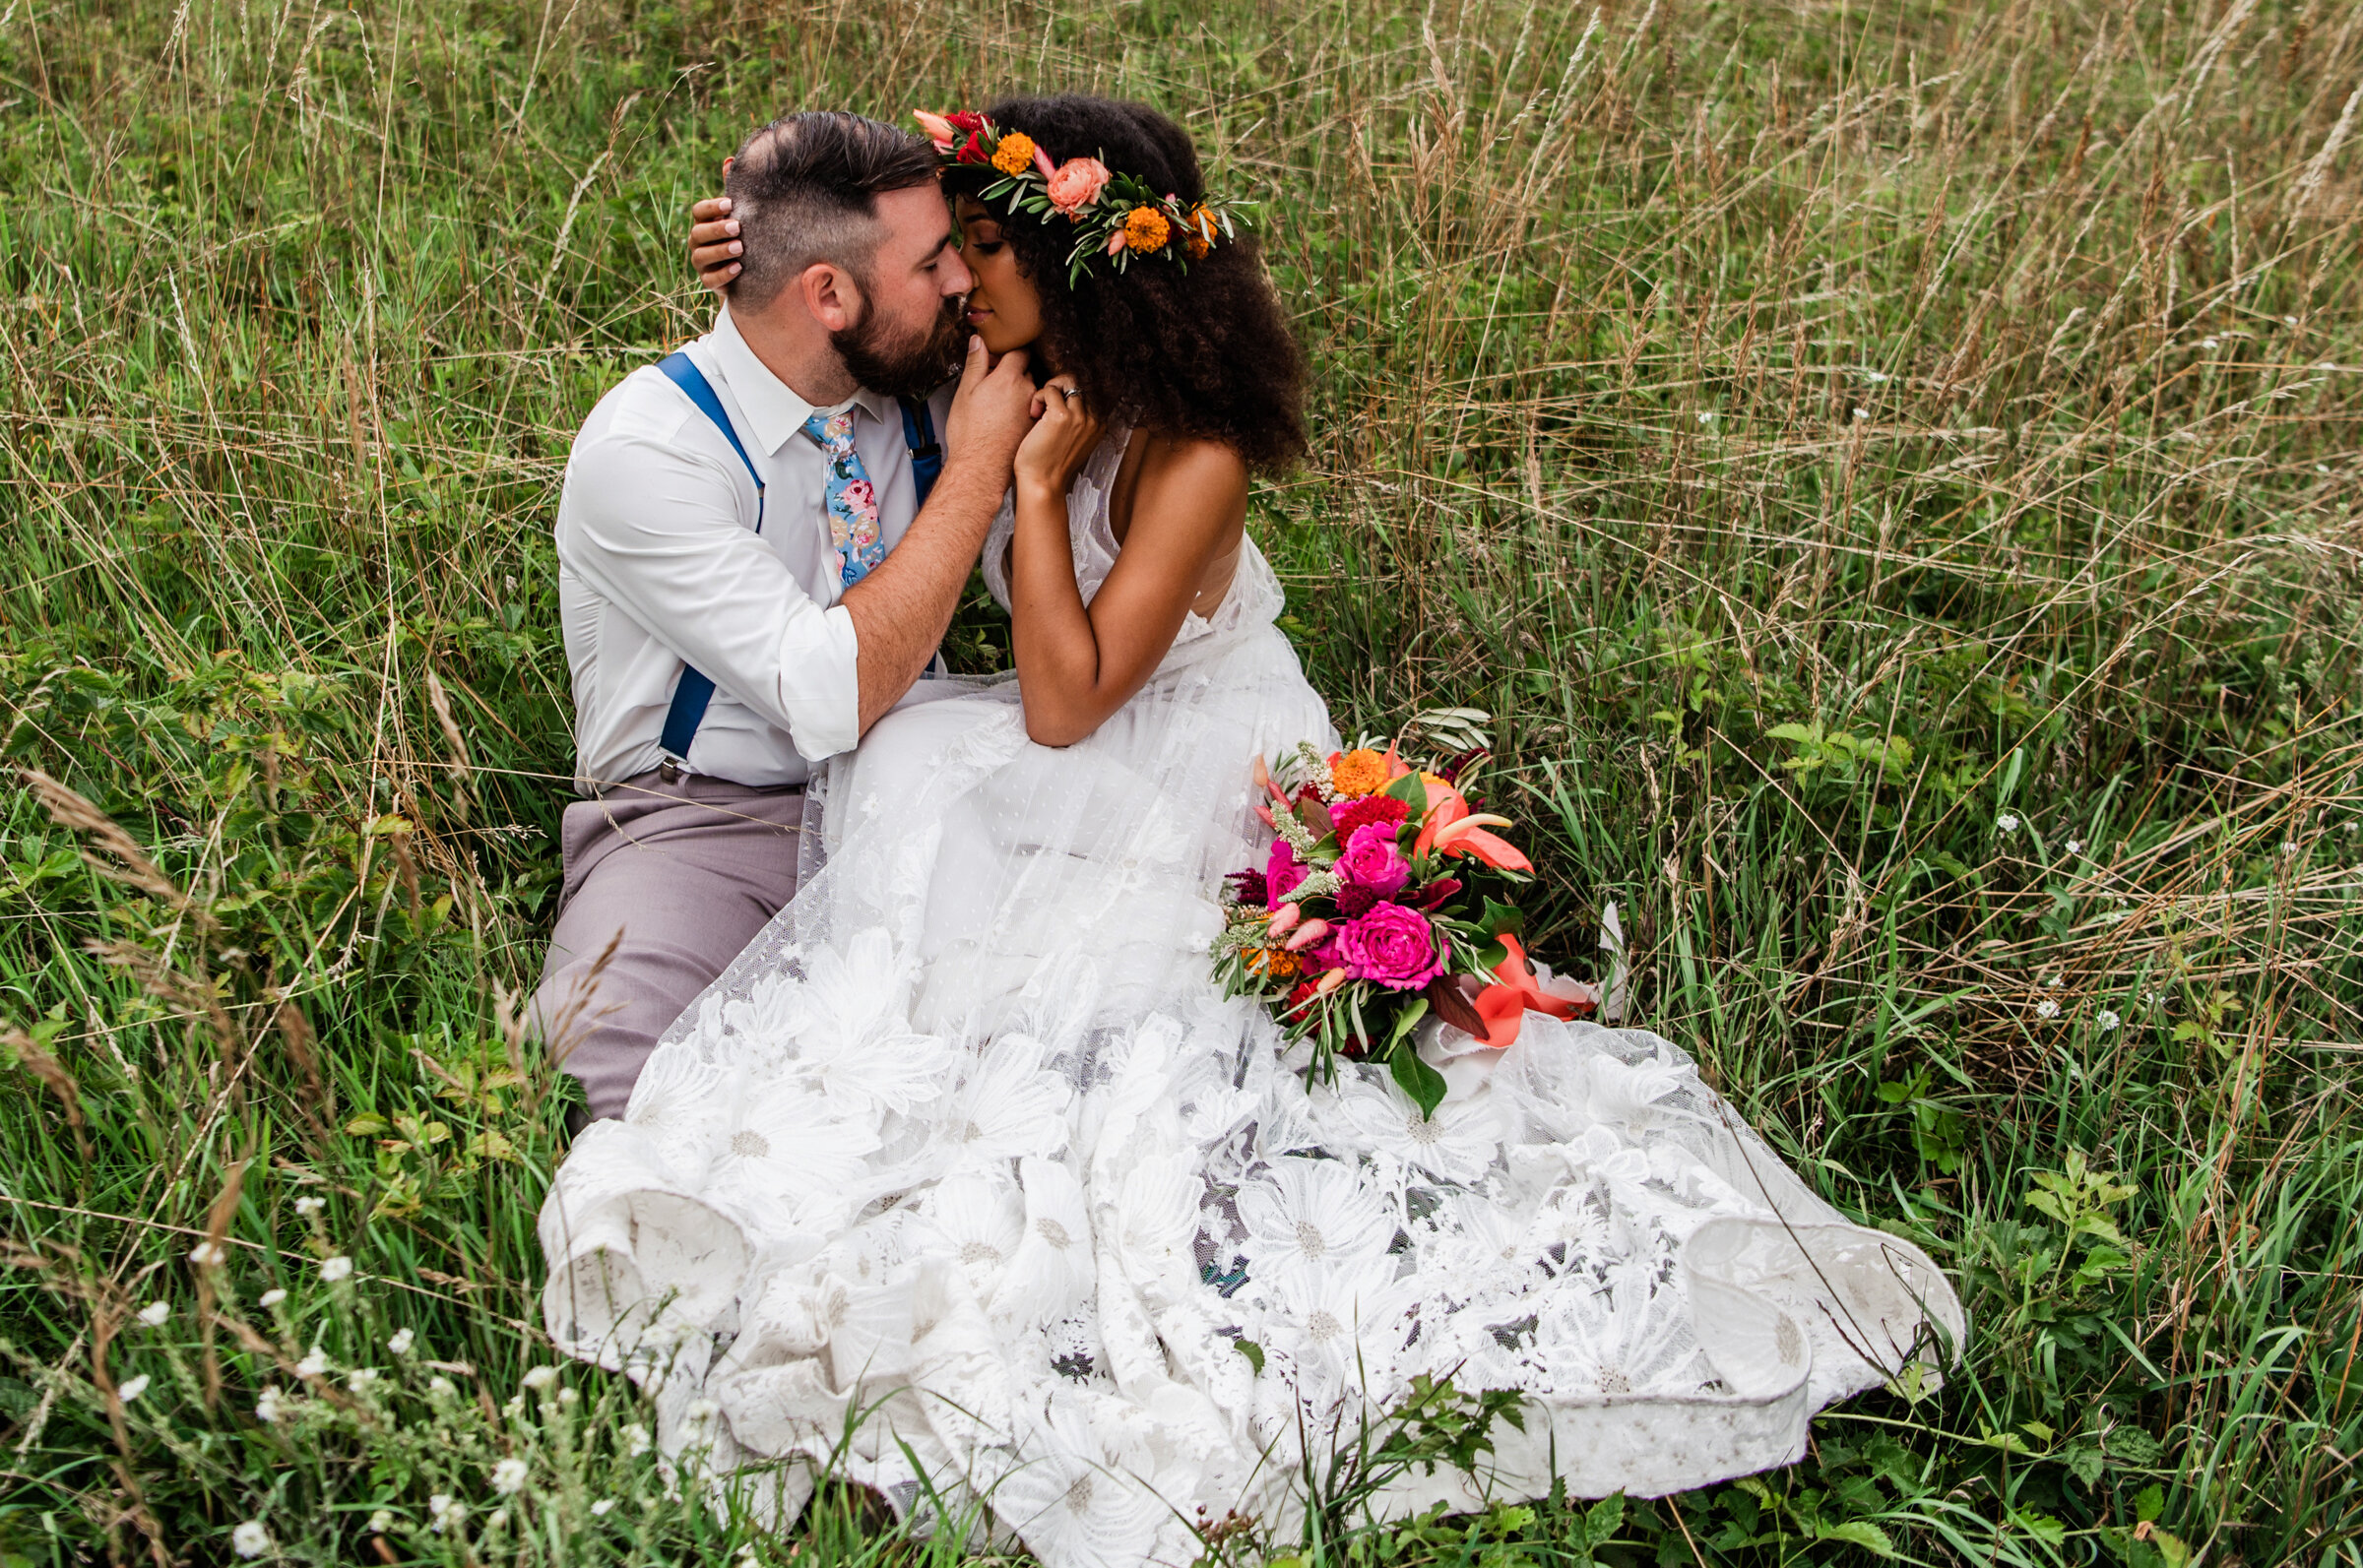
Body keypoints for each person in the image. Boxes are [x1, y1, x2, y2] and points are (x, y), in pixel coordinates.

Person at [538, 95, 1963, 1568]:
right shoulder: (814, 405)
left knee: (942, 812)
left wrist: (1012, 473)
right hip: (716, 794)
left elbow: (1062, 698)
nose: (959, 287)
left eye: (975, 253)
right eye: (942, 261)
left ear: (1067, 267)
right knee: (711, 1003)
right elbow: (832, 295)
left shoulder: (1091, 419)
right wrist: (767, 255)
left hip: (1160, 740)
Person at [533, 111, 1040, 1125]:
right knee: (619, 1097)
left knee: (1050, 1055)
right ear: (829, 295)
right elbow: (828, 690)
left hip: (927, 783)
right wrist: (981, 466)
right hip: (703, 820)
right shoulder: (650, 448)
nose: (959, 286)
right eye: (934, 261)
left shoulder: (923, 379)